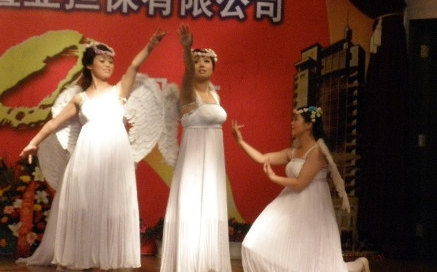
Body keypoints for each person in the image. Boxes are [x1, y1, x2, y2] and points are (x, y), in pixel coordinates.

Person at [19, 29, 166, 271]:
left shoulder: (119, 91)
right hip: (87, 156)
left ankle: (106, 257)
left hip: (115, 156)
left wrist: (150, 45)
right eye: (102, 60)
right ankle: (84, 256)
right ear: (89, 65)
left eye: (110, 61)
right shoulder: (81, 99)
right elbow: (53, 124)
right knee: (86, 205)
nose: (108, 65)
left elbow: (134, 66)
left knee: (112, 206)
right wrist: (33, 142)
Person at [231, 106, 370, 272]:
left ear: (308, 125)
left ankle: (361, 263)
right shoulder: (293, 152)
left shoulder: (317, 152)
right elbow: (262, 158)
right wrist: (240, 141)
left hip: (311, 207)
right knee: (255, 242)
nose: (292, 123)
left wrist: (274, 177)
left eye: (296, 119)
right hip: (290, 203)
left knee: (316, 265)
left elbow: (300, 183)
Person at [159, 23, 232, 272]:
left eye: (206, 61)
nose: (201, 65)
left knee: (210, 203)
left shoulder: (215, 96)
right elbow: (188, 73)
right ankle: (189, 262)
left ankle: (208, 261)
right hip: (193, 158)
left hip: (213, 159)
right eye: (197, 61)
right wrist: (186, 49)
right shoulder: (188, 92)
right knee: (192, 204)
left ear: (213, 67)